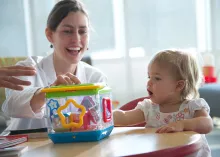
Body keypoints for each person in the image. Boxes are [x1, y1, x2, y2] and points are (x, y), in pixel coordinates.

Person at [2, 0, 107, 131]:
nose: (76, 39)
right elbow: (12, 105)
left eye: (82, 31)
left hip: (76, 148)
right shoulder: (29, 68)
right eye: (67, 31)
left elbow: (100, 123)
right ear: (50, 35)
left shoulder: (96, 78)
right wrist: (50, 92)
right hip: (28, 148)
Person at [114, 49, 213, 156]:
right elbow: (124, 117)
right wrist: (104, 115)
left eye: (157, 78)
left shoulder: (192, 107)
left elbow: (207, 124)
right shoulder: (149, 108)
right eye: (149, 77)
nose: (149, 82)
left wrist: (183, 124)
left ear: (178, 85)